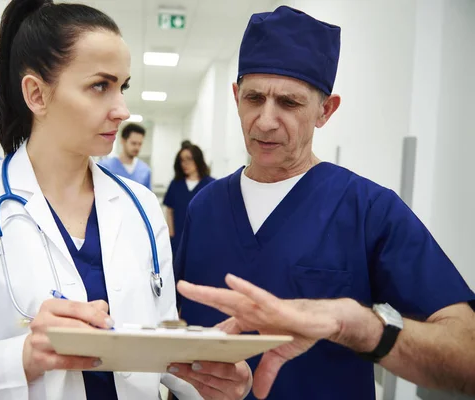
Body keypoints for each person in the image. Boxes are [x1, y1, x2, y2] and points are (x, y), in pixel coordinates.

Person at [0, 1, 251, 399]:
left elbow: (157, 351)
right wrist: (24, 358)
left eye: (123, 87)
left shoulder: (142, 207)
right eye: (101, 86)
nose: (122, 110)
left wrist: (208, 378)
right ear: (37, 94)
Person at [174, 6, 475, 400]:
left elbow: (466, 354)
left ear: (325, 110)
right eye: (254, 98)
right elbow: (177, 323)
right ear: (236, 97)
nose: (265, 120)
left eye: (289, 103)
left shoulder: (367, 209)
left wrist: (362, 327)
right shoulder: (204, 206)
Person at [164, 143, 214, 255]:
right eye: (182, 160)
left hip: (203, 240)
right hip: (178, 240)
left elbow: (215, 214)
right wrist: (171, 234)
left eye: (189, 159)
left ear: (198, 159)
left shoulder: (211, 185)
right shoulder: (176, 184)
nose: (185, 164)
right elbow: (169, 210)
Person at [99, 122, 152, 189]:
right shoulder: (105, 167)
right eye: (133, 143)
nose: (137, 147)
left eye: (140, 144)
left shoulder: (145, 170)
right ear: (123, 141)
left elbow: (147, 196)